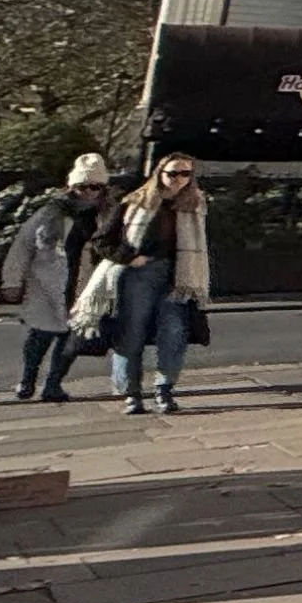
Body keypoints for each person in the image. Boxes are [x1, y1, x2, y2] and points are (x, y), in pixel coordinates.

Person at [90, 155, 210, 416]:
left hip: (178, 277)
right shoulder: (135, 202)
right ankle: (132, 394)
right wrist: (130, 258)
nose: (179, 179)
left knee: (174, 333)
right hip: (139, 275)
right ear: (160, 173)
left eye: (186, 174)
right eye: (173, 173)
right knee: (132, 332)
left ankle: (164, 391)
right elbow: (101, 240)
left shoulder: (195, 205)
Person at [1, 153, 110, 402]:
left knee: (71, 339)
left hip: (86, 284)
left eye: (95, 186)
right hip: (47, 283)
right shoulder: (50, 213)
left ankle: (53, 384)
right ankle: (27, 380)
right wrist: (12, 281)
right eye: (82, 186)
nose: (88, 192)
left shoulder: (107, 215)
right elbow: (22, 246)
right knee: (39, 336)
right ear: (71, 186)